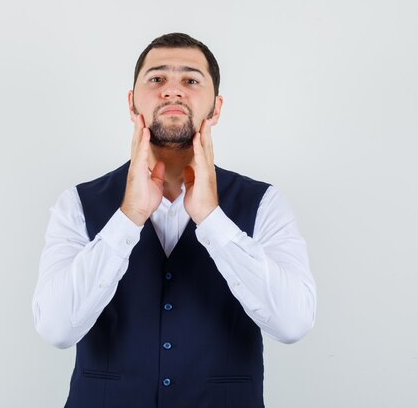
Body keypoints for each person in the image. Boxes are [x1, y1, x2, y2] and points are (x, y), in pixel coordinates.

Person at [32, 32, 316, 408]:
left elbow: (293, 324)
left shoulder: (264, 203)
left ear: (216, 107)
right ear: (132, 103)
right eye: (157, 78)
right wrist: (128, 217)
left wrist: (212, 219)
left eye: (191, 80)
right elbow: (55, 329)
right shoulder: (76, 204)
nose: (172, 91)